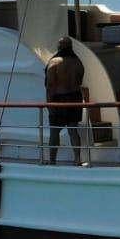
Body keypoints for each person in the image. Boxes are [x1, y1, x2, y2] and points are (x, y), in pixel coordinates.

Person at [44, 36, 86, 164]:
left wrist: (49, 103)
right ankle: (77, 159)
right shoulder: (78, 63)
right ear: (71, 47)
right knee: (73, 130)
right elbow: (79, 82)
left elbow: (50, 84)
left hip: (59, 99)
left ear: (59, 47)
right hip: (75, 98)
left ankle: (52, 160)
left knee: (54, 131)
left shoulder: (54, 62)